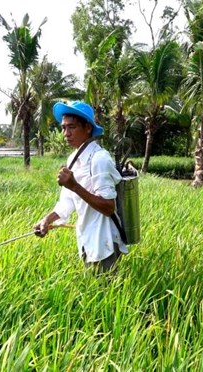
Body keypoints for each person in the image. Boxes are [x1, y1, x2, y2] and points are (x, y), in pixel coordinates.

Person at [34, 101, 127, 273]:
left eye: (72, 127)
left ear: (88, 128)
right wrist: (46, 220)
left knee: (107, 295)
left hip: (103, 242)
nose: (66, 133)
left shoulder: (99, 159)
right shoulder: (73, 159)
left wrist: (75, 186)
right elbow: (67, 202)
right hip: (87, 240)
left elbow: (108, 207)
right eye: (63, 128)